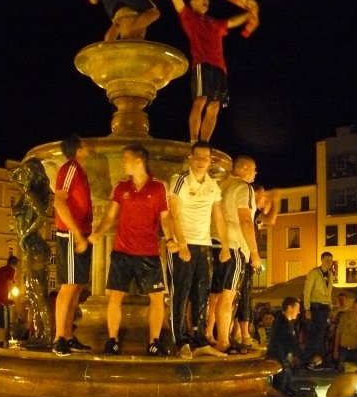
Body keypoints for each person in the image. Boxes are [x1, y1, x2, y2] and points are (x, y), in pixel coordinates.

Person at [88, 144, 176, 356]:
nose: (123, 163)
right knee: (115, 296)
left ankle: (154, 342)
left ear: (139, 161)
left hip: (149, 252)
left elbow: (165, 217)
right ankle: (112, 341)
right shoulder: (121, 187)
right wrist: (97, 233)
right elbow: (110, 215)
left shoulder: (159, 187)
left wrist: (171, 238)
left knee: (157, 298)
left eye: (126, 159)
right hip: (122, 250)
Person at [168, 140, 230, 358]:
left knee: (202, 294)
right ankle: (181, 341)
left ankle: (201, 340)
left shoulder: (213, 185)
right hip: (184, 243)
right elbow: (173, 213)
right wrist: (182, 244)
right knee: (181, 293)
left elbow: (219, 216)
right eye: (198, 157)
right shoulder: (180, 179)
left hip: (204, 245)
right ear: (190, 158)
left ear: (210, 160)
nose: (202, 161)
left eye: (206, 158)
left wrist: (225, 245)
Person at [166, 0, 252, 142]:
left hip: (220, 68)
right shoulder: (189, 16)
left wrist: (250, 13)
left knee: (215, 106)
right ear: (192, 2)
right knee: (201, 99)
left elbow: (232, 21)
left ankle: (204, 143)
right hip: (203, 63)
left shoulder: (214, 22)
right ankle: (194, 140)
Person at [208, 155, 260, 355]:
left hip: (214, 243)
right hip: (234, 245)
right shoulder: (243, 188)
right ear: (244, 168)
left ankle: (209, 335)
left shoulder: (220, 185)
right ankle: (223, 341)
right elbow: (245, 220)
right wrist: (254, 253)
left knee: (215, 295)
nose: (255, 173)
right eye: (253, 169)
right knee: (228, 297)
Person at [52, 134, 94, 356]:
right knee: (68, 286)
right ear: (78, 149)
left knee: (77, 286)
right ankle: (59, 338)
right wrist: (76, 233)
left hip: (81, 234)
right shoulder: (69, 168)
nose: (88, 147)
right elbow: (59, 201)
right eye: (84, 144)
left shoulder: (81, 172)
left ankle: (68, 335)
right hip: (70, 234)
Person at [266, 297, 319, 397]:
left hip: (279, 360)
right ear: (290, 308)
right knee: (282, 393)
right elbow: (293, 345)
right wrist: (310, 358)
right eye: (297, 309)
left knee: (287, 390)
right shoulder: (284, 325)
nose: (298, 312)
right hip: (279, 362)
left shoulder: (281, 321)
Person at [87, 0, 161, 41]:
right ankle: (131, 36)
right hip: (111, 2)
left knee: (154, 13)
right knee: (154, 13)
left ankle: (131, 37)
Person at [303, 251, 335, 362]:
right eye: (327, 260)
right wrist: (307, 308)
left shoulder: (330, 274)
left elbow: (329, 292)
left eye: (331, 260)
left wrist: (330, 307)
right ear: (321, 260)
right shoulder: (314, 272)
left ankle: (318, 358)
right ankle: (312, 358)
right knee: (316, 334)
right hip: (316, 305)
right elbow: (307, 290)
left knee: (320, 334)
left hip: (325, 307)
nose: (329, 262)